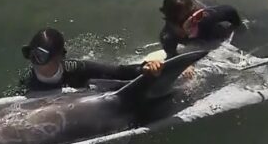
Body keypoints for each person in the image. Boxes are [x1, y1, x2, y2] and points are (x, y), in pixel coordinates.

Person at [17, 28, 164, 94]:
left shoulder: (74, 68)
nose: (35, 62)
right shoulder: (29, 83)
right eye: (31, 55)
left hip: (89, 91)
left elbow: (117, 71)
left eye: (41, 57)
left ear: (58, 58)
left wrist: (144, 68)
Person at [157, 0, 243, 58]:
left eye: (196, 16)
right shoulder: (168, 36)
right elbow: (172, 55)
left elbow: (230, 10)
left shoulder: (205, 17)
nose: (194, 23)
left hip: (211, 24)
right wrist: (185, 66)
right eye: (188, 21)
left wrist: (237, 27)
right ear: (173, 24)